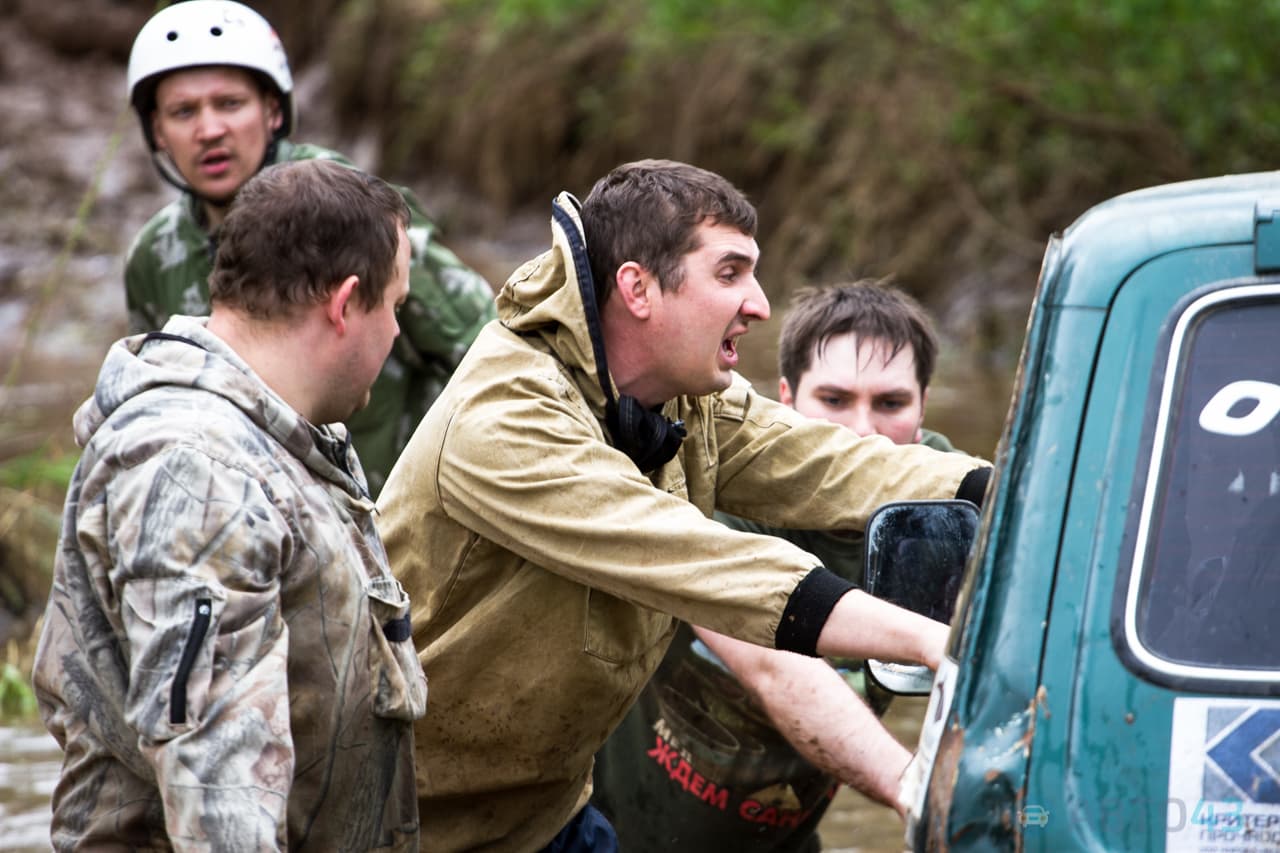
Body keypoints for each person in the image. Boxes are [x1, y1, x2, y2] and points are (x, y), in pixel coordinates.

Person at [376, 159, 991, 852]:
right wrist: (932, 641)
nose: (759, 304)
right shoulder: (505, 417)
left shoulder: (688, 398)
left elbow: (831, 460)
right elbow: (696, 556)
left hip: (546, 813)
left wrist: (1015, 492)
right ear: (638, 288)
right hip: (409, 823)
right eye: (730, 274)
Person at [32, 159, 429, 850]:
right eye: (394, 305)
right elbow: (217, 784)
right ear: (345, 303)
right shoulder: (200, 472)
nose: (396, 332)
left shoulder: (283, 438)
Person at [592, 280, 963, 852]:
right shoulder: (707, 486)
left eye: (890, 404)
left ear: (922, 411)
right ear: (785, 403)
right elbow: (777, 669)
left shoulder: (951, 514)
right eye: (834, 401)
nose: (863, 432)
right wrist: (915, 788)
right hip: (617, 834)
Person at [123, 0, 495, 495]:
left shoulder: (353, 213)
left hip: (385, 511)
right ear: (158, 133)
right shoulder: (153, 255)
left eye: (230, 104)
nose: (209, 130)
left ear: (272, 111)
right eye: (183, 111)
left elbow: (487, 349)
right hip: (254, 512)